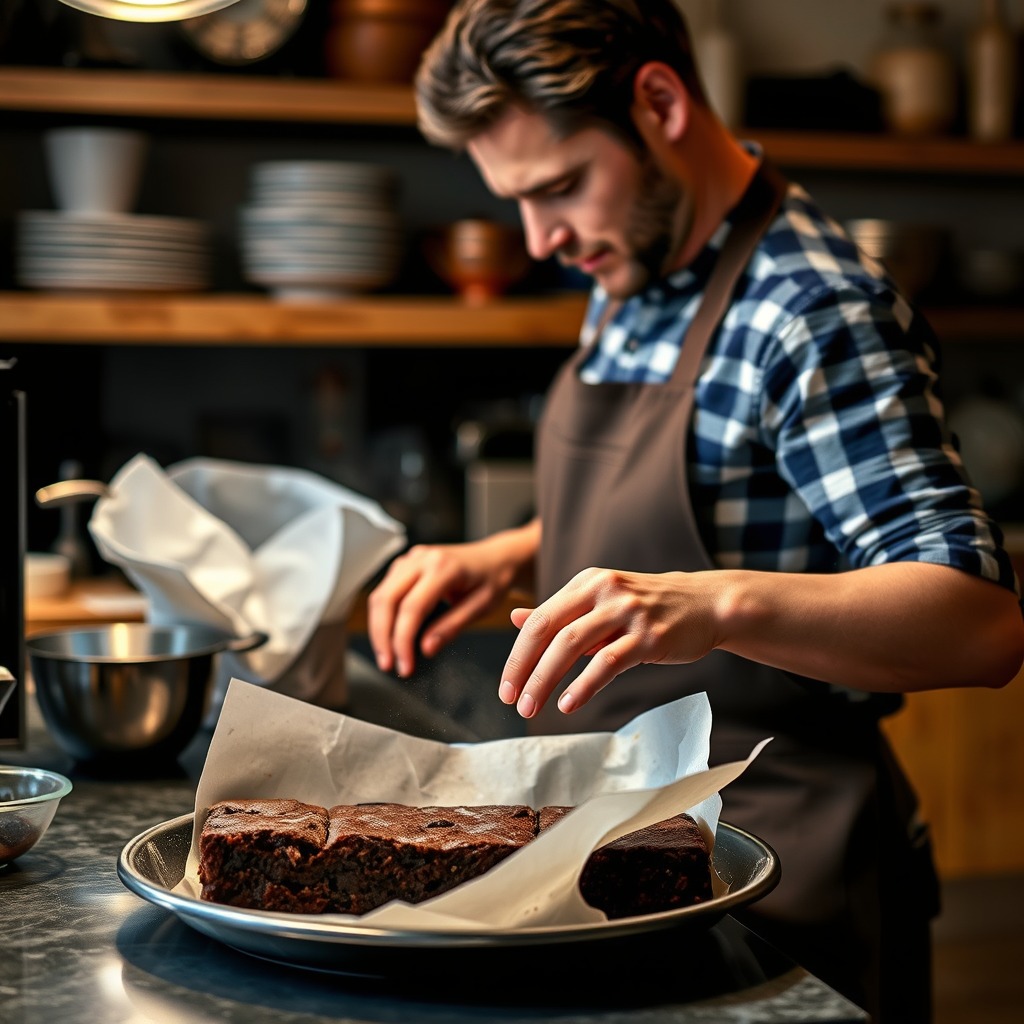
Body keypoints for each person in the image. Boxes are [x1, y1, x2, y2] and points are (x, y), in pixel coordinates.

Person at [366, 1, 1024, 1020]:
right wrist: (509, 554)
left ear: (660, 103)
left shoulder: (811, 309)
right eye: (518, 201)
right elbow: (714, 497)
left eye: (559, 187)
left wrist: (713, 606)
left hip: (774, 876)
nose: (541, 238)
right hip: (619, 850)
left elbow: (978, 622)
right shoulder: (634, 263)